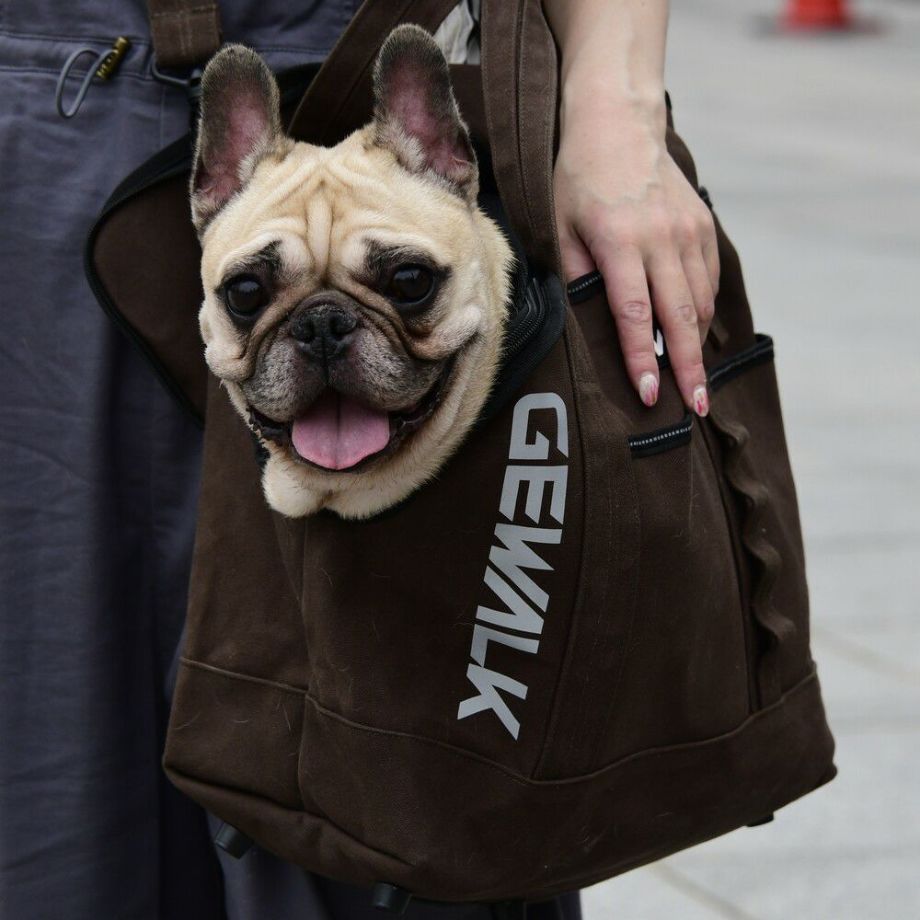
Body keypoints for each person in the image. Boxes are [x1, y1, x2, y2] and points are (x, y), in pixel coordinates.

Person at [0, 0, 715, 917]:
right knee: (66, 760)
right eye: (258, 296)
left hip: (360, 34)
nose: (327, 339)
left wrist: (619, 105)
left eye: (404, 284)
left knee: (411, 790)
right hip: (52, 128)